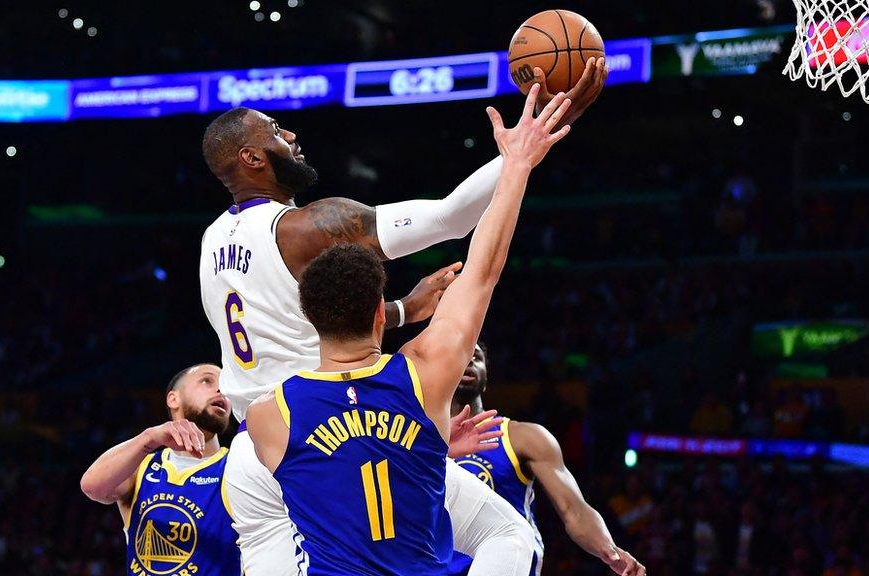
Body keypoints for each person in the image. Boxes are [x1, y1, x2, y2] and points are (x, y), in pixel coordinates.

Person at [198, 57, 609, 575]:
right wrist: (528, 143)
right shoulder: (308, 227)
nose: (292, 135)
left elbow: (296, 316)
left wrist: (400, 310)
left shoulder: (213, 241)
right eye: (277, 131)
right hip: (335, 425)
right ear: (252, 157)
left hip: (257, 443)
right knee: (507, 532)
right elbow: (452, 218)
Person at [448, 344, 645, 576]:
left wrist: (609, 550)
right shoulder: (419, 438)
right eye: (461, 354)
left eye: (477, 357)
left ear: (487, 374)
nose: (470, 361)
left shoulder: (523, 437)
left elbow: (574, 509)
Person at [80, 364, 240, 576]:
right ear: (173, 399)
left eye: (226, 386)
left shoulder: (238, 465)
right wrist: (149, 438)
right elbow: (92, 487)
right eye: (207, 381)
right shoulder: (142, 466)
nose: (221, 390)